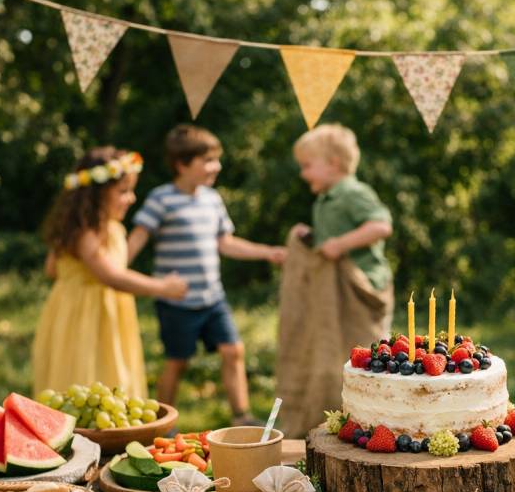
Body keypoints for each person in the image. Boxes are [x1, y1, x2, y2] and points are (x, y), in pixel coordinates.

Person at [128, 125, 285, 423]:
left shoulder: (212, 199)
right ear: (182, 164)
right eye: (208, 160)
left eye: (216, 159)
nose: (217, 166)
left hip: (213, 298)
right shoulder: (161, 199)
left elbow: (225, 243)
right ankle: (161, 423)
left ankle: (242, 415)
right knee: (178, 362)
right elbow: (137, 238)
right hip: (177, 302)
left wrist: (267, 252)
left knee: (233, 350)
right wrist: (114, 268)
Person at [33, 147, 187, 399]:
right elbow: (111, 276)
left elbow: (51, 269)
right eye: (123, 191)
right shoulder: (86, 232)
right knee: (86, 373)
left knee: (110, 373)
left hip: (92, 311)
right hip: (85, 316)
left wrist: (73, 274)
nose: (131, 198)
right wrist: (162, 288)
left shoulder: (101, 228)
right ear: (95, 195)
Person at [289, 123, 393, 333]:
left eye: (307, 166)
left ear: (333, 164)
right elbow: (331, 237)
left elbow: (380, 226)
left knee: (365, 344)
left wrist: (340, 244)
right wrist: (311, 237)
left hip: (363, 286)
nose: (302, 174)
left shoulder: (353, 193)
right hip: (337, 288)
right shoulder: (323, 199)